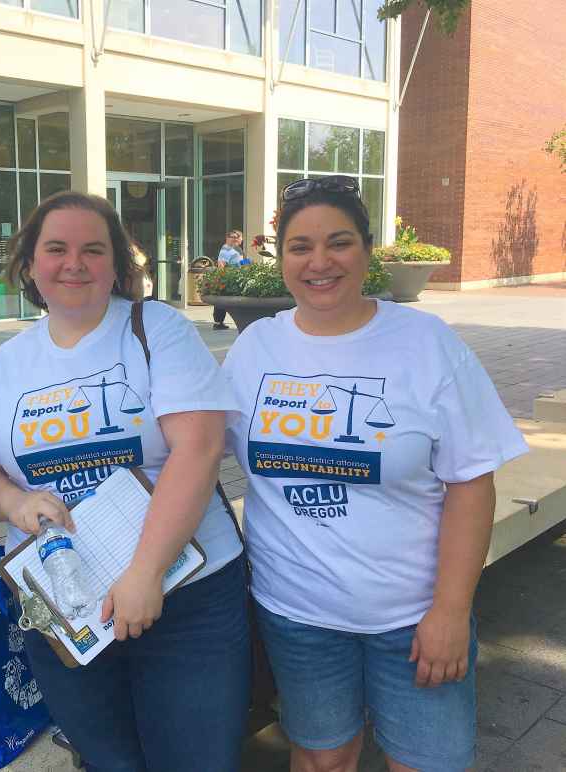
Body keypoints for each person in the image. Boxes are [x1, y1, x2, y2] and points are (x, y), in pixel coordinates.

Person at [220, 175, 528, 772]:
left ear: (366, 250)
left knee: (426, 763)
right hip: (297, 614)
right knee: (322, 758)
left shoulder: (425, 342)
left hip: (414, 615)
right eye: (299, 246)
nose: (320, 262)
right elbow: (196, 452)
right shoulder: (255, 349)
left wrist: (450, 611)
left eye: (339, 242)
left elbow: (471, 483)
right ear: (280, 257)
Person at [0, 191, 251, 772]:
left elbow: (199, 446)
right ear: (30, 264)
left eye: (93, 249)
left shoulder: (156, 329)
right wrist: (13, 501)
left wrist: (146, 571)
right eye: (56, 248)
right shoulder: (5, 365)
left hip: (183, 592)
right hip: (66, 603)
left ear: (116, 263)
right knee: (107, 761)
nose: (75, 263)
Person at [213, 230, 246, 330]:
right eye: (232, 237)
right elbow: (221, 265)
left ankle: (220, 322)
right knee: (222, 302)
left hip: (237, 277)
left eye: (237, 237)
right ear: (227, 238)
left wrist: (248, 261)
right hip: (229, 278)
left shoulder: (236, 249)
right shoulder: (226, 249)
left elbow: (238, 263)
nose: (235, 239)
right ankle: (219, 322)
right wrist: (223, 278)